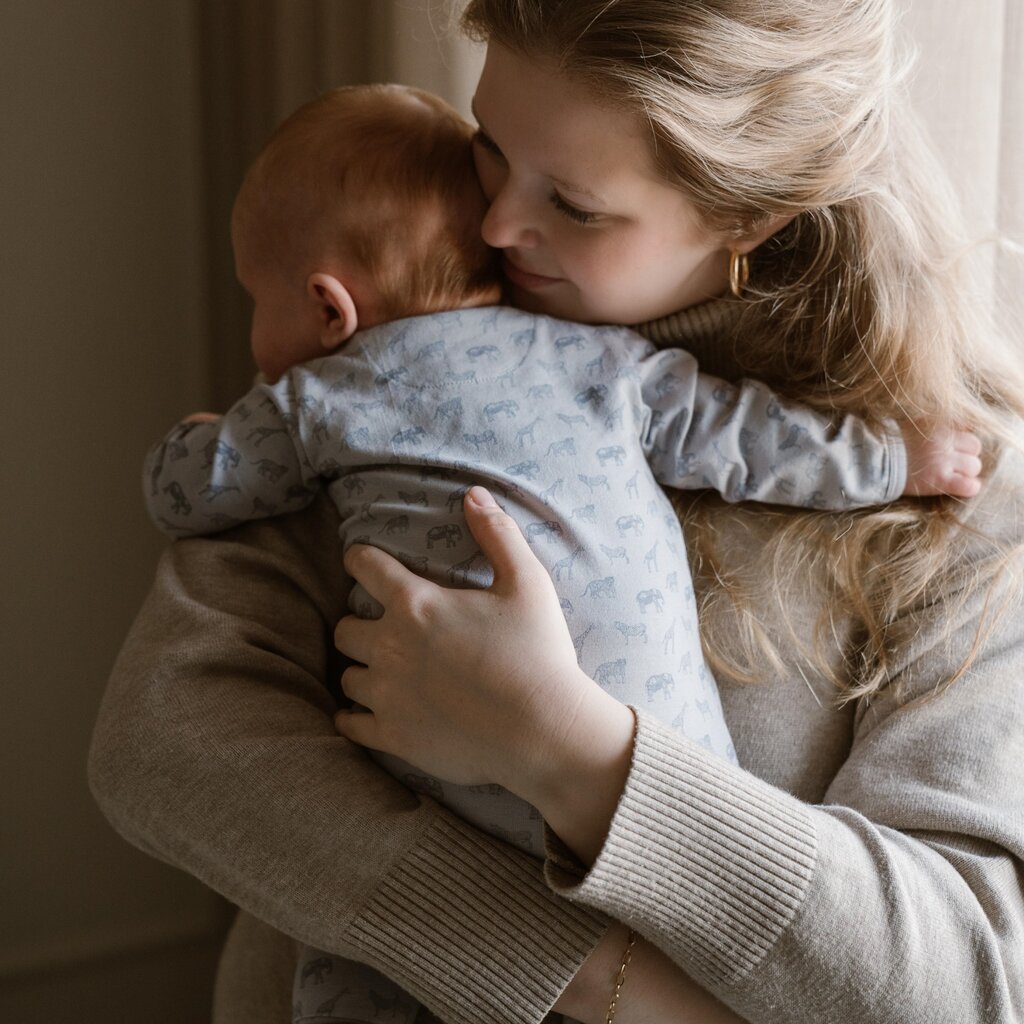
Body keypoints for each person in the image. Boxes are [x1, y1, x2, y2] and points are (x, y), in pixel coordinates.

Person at [88, 1, 1024, 1022]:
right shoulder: (412, 349)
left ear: (755, 215)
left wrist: (572, 751)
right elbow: (164, 739)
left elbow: (961, 978)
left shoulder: (960, 495)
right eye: (489, 144)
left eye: (573, 203)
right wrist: (601, 978)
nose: (492, 228)